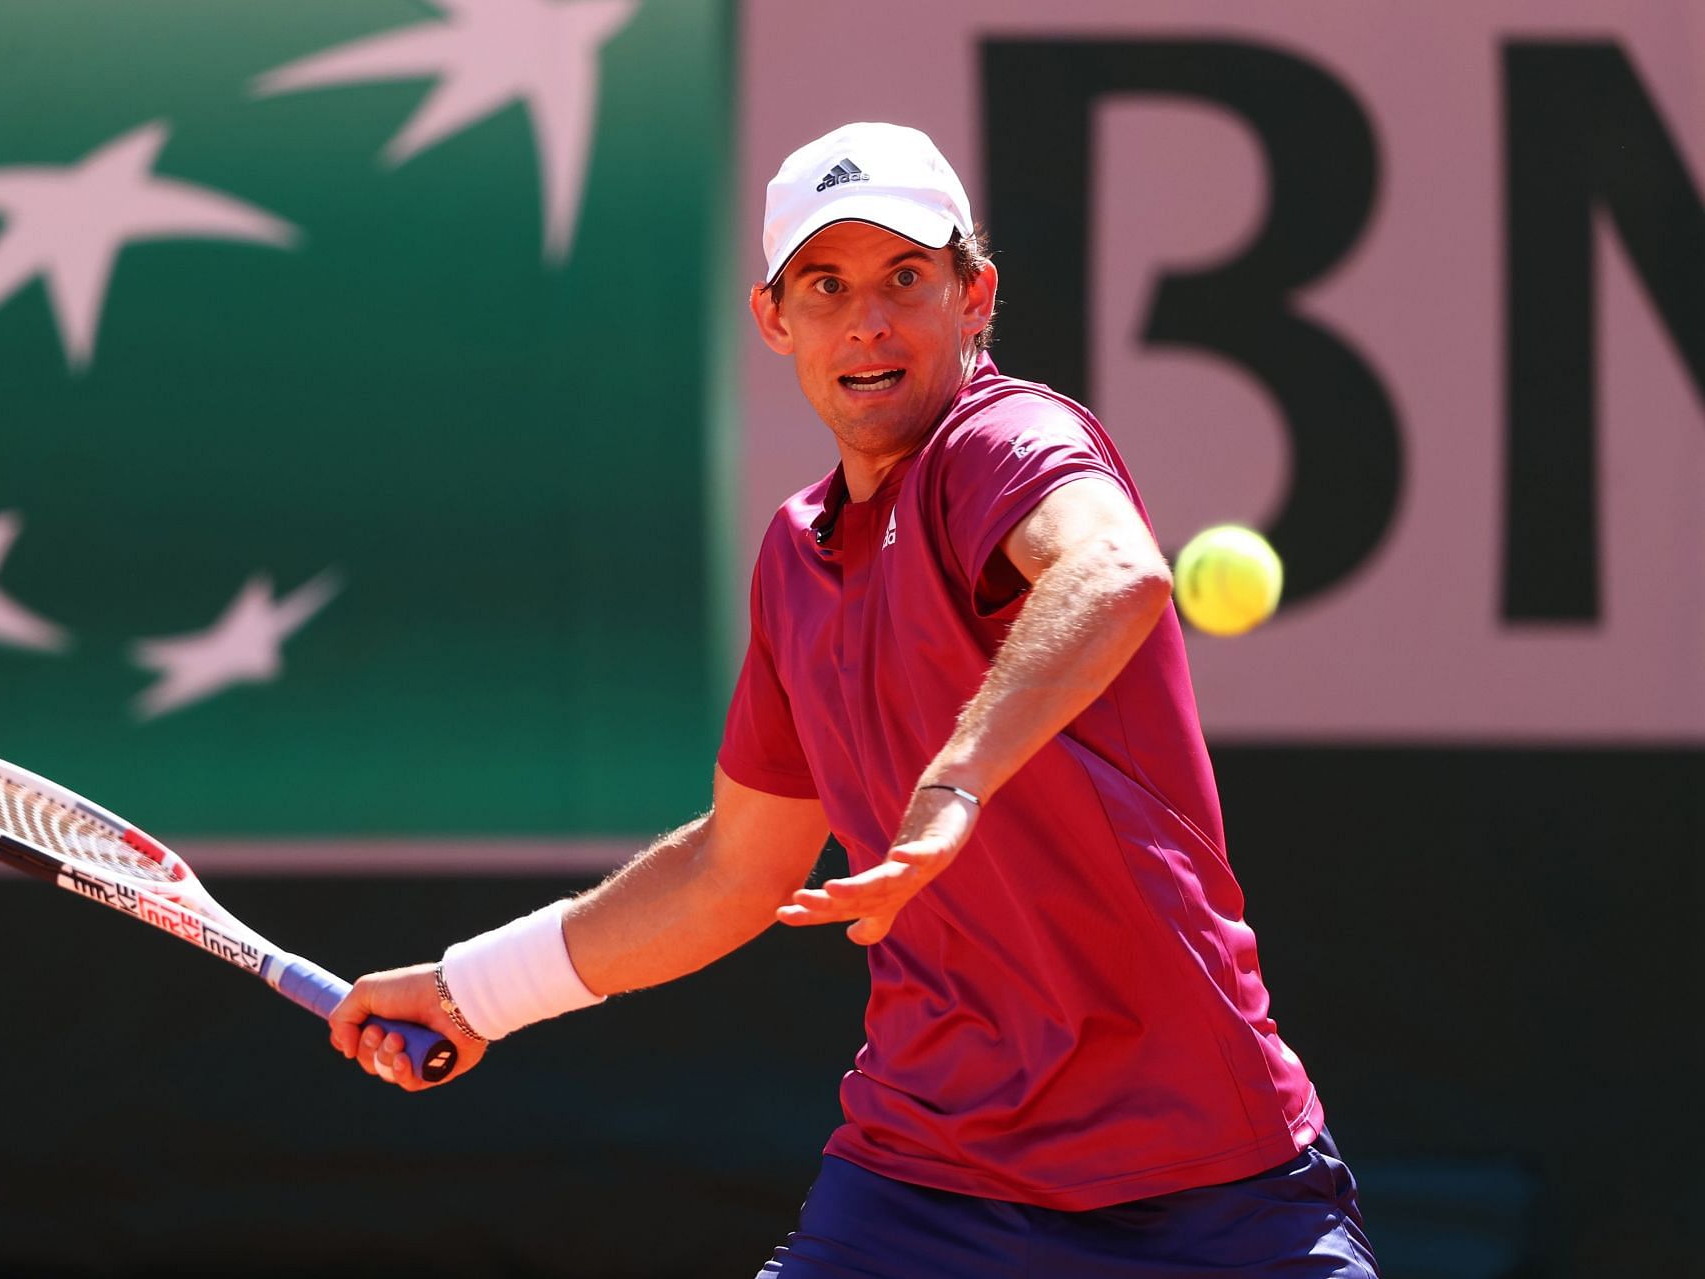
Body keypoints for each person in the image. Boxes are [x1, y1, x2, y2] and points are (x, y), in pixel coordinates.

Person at [328, 122, 1377, 1276]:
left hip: (1206, 1188)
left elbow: (1115, 568)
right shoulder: (799, 555)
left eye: (906, 280)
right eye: (826, 286)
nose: (867, 323)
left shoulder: (1004, 439)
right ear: (776, 320)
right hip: (928, 1180)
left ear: (974, 297)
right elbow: (735, 866)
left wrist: (954, 784)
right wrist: (474, 991)